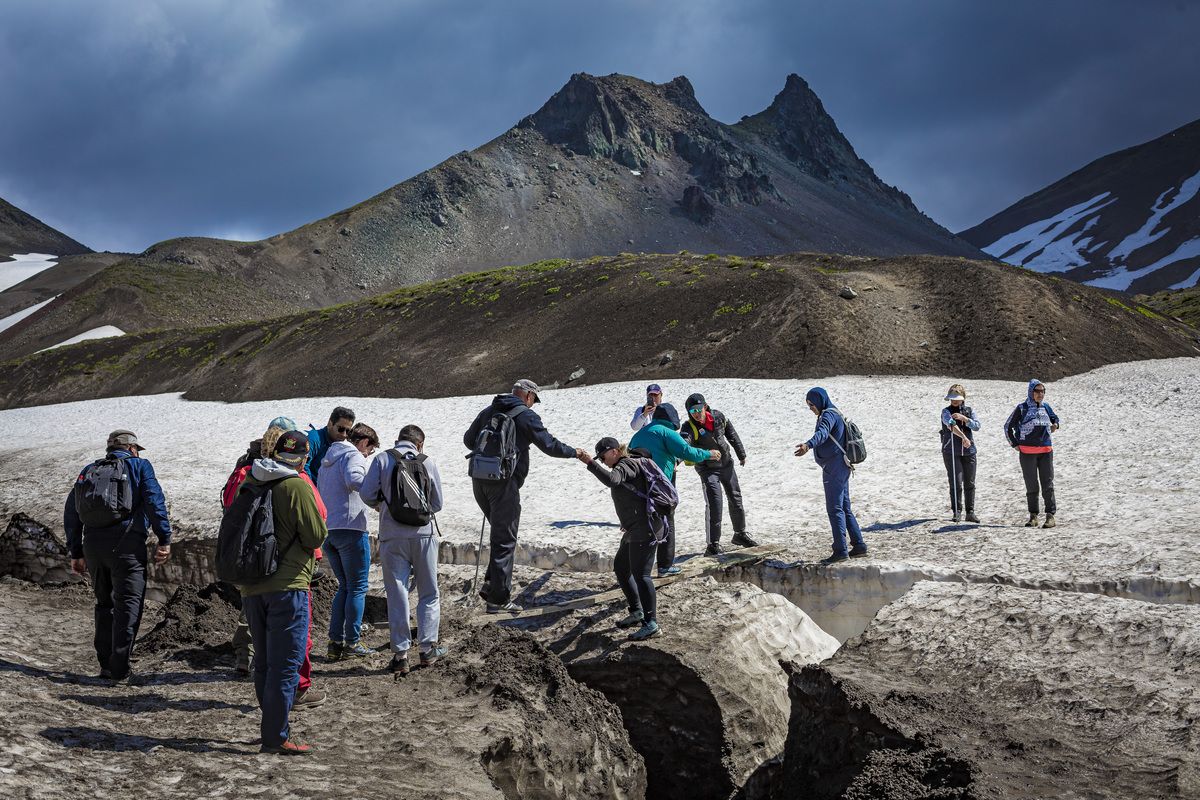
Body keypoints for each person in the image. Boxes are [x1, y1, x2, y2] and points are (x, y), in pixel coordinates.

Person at [223, 417, 327, 708]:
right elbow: (316, 532)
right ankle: (293, 696)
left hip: (251, 571)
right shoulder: (298, 482)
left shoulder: (248, 476)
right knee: (292, 645)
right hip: (290, 578)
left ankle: (249, 668)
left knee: (263, 646)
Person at [64, 430, 171, 681]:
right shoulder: (139, 466)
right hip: (126, 545)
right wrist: (164, 538)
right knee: (128, 604)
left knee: (104, 604)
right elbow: (154, 501)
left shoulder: (89, 470)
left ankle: (106, 664)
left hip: (93, 546)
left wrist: (76, 552)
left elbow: (72, 511)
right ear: (132, 448)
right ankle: (120, 667)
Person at [463, 378, 578, 613]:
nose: (533, 404)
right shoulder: (526, 416)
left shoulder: (489, 410)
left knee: (501, 535)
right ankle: (498, 599)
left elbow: (468, 440)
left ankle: (491, 585)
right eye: (534, 399)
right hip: (504, 485)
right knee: (505, 540)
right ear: (527, 395)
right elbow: (549, 445)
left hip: (479, 481)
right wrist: (574, 452)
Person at [361, 424, 447, 675]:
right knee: (429, 592)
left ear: (398, 440)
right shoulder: (427, 461)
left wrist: (384, 506)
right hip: (423, 535)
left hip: (392, 535)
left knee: (397, 592)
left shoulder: (382, 459)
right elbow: (437, 503)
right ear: (420, 444)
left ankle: (401, 655)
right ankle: (427, 649)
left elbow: (366, 494)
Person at [578, 437, 665, 641]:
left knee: (642, 575)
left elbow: (613, 480)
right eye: (599, 459)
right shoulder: (626, 465)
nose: (602, 461)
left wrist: (589, 462)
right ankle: (637, 611)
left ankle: (651, 624)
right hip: (635, 528)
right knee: (622, 567)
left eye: (603, 457)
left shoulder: (626, 464)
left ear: (615, 451)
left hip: (645, 528)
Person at [628, 404, 718, 573]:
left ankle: (637, 569)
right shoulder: (666, 432)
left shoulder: (639, 434)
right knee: (666, 521)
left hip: (638, 487)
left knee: (645, 524)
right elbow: (687, 452)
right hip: (660, 486)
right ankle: (665, 565)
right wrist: (709, 454)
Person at [317, 422, 378, 660]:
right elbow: (354, 480)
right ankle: (352, 642)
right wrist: (377, 497)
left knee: (344, 586)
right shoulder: (354, 455)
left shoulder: (329, 459)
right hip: (351, 529)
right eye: (370, 450)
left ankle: (335, 643)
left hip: (330, 529)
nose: (368, 455)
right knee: (358, 587)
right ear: (363, 442)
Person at [794, 388, 868, 563]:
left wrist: (808, 445)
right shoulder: (835, 412)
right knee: (844, 507)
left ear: (819, 401)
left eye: (811, 404)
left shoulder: (827, 415)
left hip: (834, 468)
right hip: (841, 465)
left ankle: (840, 550)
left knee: (835, 509)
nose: (811, 408)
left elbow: (822, 433)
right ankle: (859, 546)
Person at [679, 393, 758, 555]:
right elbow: (683, 446)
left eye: (699, 409)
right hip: (707, 469)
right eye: (692, 411)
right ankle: (713, 544)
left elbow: (731, 434)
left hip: (726, 464)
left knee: (736, 499)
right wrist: (676, 460)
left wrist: (741, 454)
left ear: (705, 407)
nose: (696, 414)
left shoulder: (718, 417)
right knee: (714, 504)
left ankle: (740, 534)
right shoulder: (688, 427)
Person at [1004, 379, 1060, 529]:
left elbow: (1055, 418)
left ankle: (1050, 516)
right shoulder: (1022, 408)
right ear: (1031, 392)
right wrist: (1014, 444)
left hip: (1046, 452)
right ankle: (1033, 516)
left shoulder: (1046, 407)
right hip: (1027, 453)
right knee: (1031, 485)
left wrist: (1055, 425)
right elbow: (1008, 427)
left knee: (1047, 484)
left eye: (1043, 391)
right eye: (1037, 391)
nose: (1040, 394)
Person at [940, 384, 981, 523]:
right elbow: (950, 425)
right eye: (952, 398)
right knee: (956, 482)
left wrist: (965, 419)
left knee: (970, 482)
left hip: (969, 451)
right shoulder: (946, 412)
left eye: (957, 398)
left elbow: (977, 426)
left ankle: (970, 512)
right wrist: (963, 437)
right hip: (951, 451)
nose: (954, 401)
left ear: (963, 398)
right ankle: (957, 511)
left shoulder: (969, 411)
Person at [305, 406, 356, 482]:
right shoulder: (313, 439)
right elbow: (303, 467)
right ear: (330, 424)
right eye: (341, 429)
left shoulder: (342, 445)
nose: (344, 435)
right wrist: (312, 488)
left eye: (348, 431)